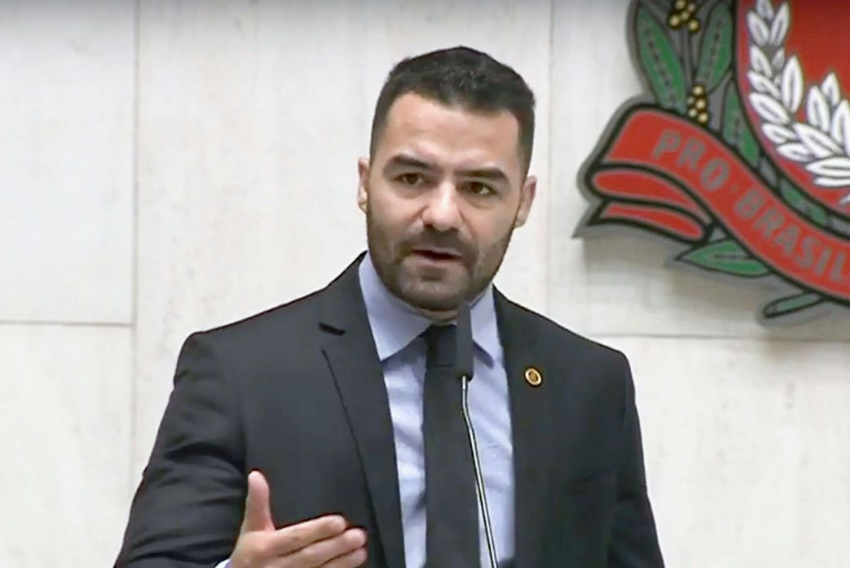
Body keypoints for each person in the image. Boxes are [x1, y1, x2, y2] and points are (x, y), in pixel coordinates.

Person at [115, 46, 664, 568]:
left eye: (479, 188)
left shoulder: (590, 384)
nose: (442, 215)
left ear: (523, 202)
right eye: (412, 179)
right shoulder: (242, 373)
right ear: (365, 183)